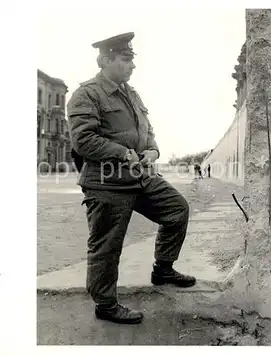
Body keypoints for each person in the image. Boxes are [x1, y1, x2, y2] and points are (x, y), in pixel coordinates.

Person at [67, 32, 196, 325]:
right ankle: (105, 304)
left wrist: (152, 149)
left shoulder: (132, 93)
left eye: (131, 60)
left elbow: (147, 129)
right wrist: (123, 153)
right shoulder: (86, 94)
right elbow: (82, 140)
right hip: (106, 183)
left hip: (140, 177)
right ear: (105, 60)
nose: (132, 66)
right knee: (107, 245)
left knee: (177, 210)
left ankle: (163, 268)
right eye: (126, 60)